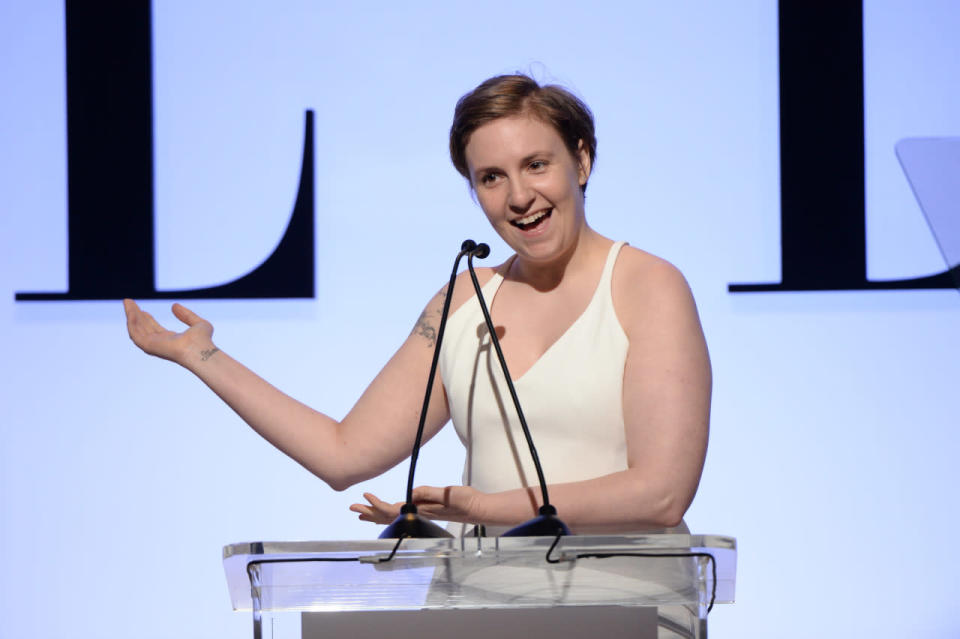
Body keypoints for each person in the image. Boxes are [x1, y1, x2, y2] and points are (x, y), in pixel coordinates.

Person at [124, 74, 710, 536]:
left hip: (628, 608)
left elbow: (661, 494)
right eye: (491, 177)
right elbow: (342, 454)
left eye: (537, 164)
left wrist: (483, 507)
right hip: (487, 612)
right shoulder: (462, 300)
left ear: (581, 161)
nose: (520, 196)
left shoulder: (647, 286)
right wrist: (203, 356)